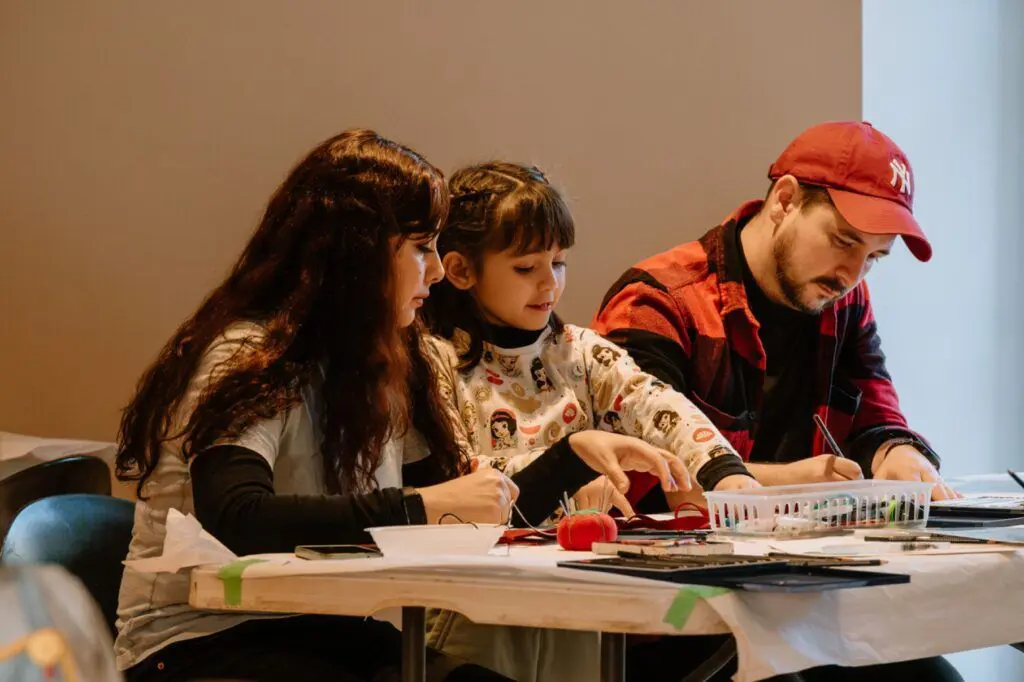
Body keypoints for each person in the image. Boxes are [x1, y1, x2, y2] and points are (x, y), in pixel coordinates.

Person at [112, 130, 681, 682]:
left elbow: (460, 513)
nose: (437, 271)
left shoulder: (385, 361)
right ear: (355, 255)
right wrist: (423, 506)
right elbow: (238, 517)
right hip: (202, 642)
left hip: (326, 631)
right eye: (420, 248)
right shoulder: (251, 355)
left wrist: (570, 457)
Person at [593, 121, 963, 680]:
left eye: (874, 257)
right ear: (785, 200)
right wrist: (793, 482)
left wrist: (898, 455)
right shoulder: (659, 299)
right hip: (684, 610)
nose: (852, 273)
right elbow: (641, 479)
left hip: (808, 596)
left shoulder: (844, 299)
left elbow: (874, 406)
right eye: (843, 241)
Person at [419, 161, 758, 682]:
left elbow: (656, 404)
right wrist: (568, 466)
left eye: (558, 263)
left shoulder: (579, 352)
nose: (549, 283)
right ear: (462, 271)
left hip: (576, 601)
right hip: (474, 607)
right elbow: (459, 482)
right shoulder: (432, 359)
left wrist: (724, 473)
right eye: (525, 267)